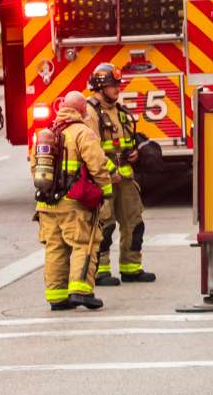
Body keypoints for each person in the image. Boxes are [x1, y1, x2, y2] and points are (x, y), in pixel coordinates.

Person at [36, 91, 113, 311]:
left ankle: (57, 296)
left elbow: (35, 167)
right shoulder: (82, 132)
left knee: (55, 248)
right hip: (74, 203)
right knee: (84, 243)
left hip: (46, 203)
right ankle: (81, 291)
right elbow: (97, 165)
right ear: (81, 111)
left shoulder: (48, 133)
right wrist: (105, 190)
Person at [83, 64, 156, 286]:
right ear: (100, 86)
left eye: (118, 84)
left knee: (134, 222)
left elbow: (126, 140)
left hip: (125, 177)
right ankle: (101, 271)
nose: (118, 88)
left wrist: (135, 151)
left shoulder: (119, 111)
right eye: (113, 85)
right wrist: (109, 170)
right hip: (104, 178)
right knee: (104, 225)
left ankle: (131, 267)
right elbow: (92, 149)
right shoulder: (91, 113)